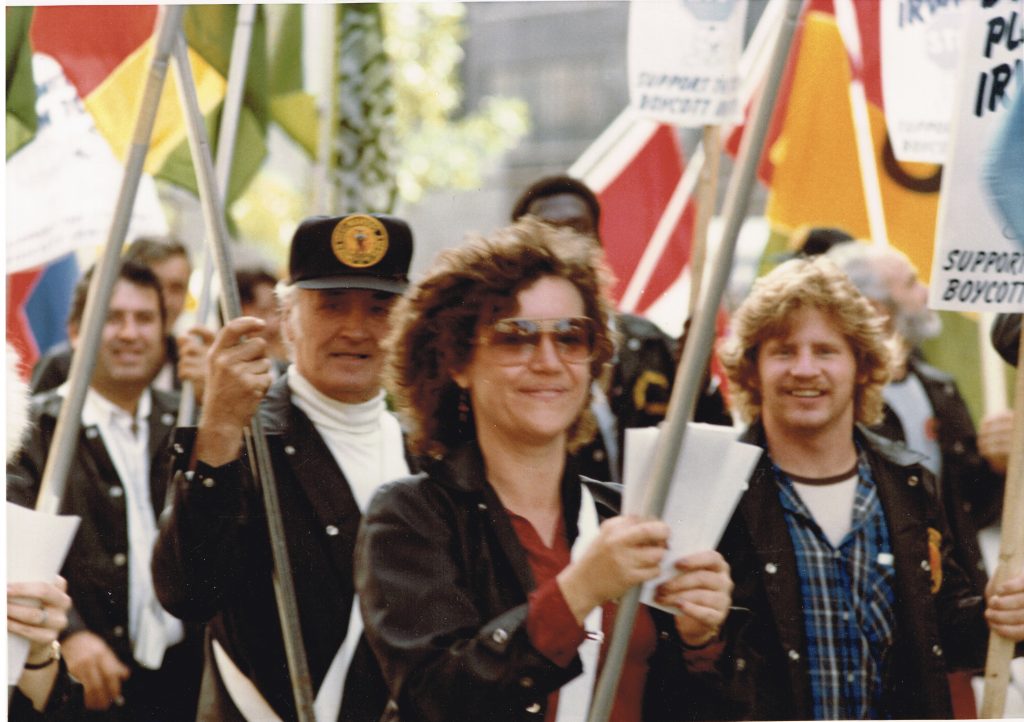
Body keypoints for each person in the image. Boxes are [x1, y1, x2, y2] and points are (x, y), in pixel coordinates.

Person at [356, 218, 739, 722]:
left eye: (571, 337)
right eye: (515, 338)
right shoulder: (412, 516)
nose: (548, 361)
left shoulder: (627, 515)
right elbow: (437, 699)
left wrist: (702, 644)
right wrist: (578, 592)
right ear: (458, 363)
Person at [715, 256, 1024, 719]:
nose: (804, 369)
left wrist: (1005, 616)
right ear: (752, 368)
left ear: (862, 365)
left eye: (825, 351)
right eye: (783, 350)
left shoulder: (911, 484)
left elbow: (946, 636)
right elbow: (685, 667)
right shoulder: (718, 491)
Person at [152, 213, 415, 721]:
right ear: (287, 317)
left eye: (380, 307)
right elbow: (186, 591)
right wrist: (222, 426)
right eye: (332, 305)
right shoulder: (243, 438)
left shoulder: (427, 452)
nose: (356, 329)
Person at [8, 260, 203, 720]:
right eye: (111, 317)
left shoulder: (191, 419)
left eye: (144, 318)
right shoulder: (31, 429)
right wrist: (68, 635)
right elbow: (11, 546)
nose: (129, 333)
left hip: (184, 685)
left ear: (165, 329)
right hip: (84, 687)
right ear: (76, 331)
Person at [511, 175, 727, 483]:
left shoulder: (653, 345)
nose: (565, 245)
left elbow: (711, 455)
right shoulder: (509, 353)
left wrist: (700, 389)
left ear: (598, 243)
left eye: (577, 229)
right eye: (549, 231)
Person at [828, 242, 1009, 591]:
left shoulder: (939, 388)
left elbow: (971, 511)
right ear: (874, 309)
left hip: (954, 599)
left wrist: (999, 465)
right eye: (911, 283)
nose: (927, 293)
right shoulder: (840, 402)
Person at [30, 237, 192, 395]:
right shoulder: (60, 366)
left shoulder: (191, 366)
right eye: (153, 284)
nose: (165, 300)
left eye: (176, 288)